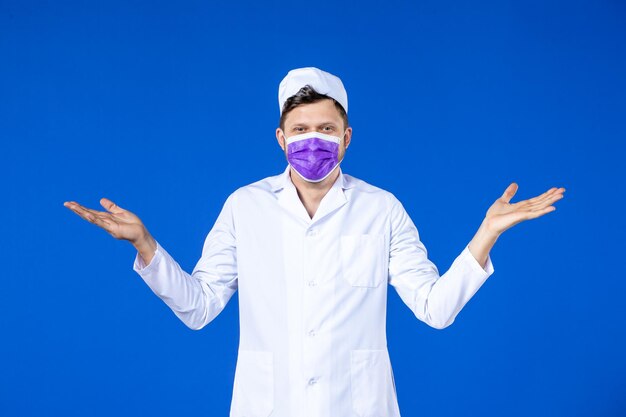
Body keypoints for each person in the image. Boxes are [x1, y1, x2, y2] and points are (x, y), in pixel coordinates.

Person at [64, 67, 565, 417]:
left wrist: (487, 234)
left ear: (347, 137)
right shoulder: (245, 205)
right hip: (269, 406)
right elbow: (199, 307)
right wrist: (146, 245)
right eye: (300, 130)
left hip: (358, 407)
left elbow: (435, 308)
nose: (313, 141)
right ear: (280, 138)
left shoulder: (381, 207)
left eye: (326, 129)